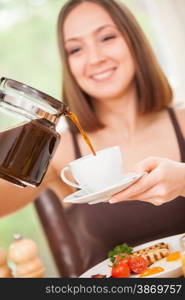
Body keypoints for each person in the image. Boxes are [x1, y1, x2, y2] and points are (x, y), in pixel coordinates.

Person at [0, 0, 185, 274]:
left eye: (107, 37)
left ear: (134, 41)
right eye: (75, 49)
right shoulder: (57, 153)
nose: (95, 58)